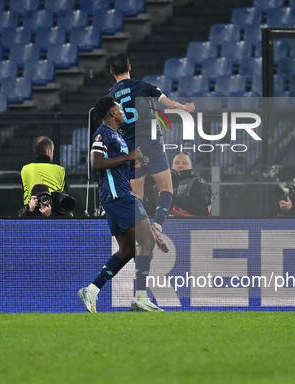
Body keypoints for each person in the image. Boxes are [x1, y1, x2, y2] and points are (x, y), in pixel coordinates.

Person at [78, 96, 162, 313]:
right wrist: (127, 158)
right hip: (119, 197)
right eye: (119, 108)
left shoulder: (117, 135)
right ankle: (140, 298)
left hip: (117, 196)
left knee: (127, 250)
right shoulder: (103, 133)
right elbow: (96, 162)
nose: (123, 111)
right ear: (112, 113)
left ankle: (92, 290)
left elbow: (117, 169)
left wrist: (134, 162)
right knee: (148, 242)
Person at [107, 53, 195, 253]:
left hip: (131, 146)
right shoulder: (143, 86)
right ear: (129, 67)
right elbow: (169, 104)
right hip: (152, 141)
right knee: (166, 189)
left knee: (136, 195)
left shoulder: (110, 96)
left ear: (112, 72)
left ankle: (142, 232)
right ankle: (158, 225)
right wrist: (185, 108)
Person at [144, 153, 212, 216]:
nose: (180, 166)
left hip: (191, 224)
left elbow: (199, 207)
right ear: (171, 165)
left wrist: (171, 195)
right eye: (177, 163)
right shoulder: (162, 181)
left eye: (184, 163)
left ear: (191, 166)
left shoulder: (198, 182)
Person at [21, 136, 66, 206]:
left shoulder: (25, 169)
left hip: (31, 213)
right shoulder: (60, 170)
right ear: (49, 151)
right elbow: (65, 196)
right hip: (54, 213)